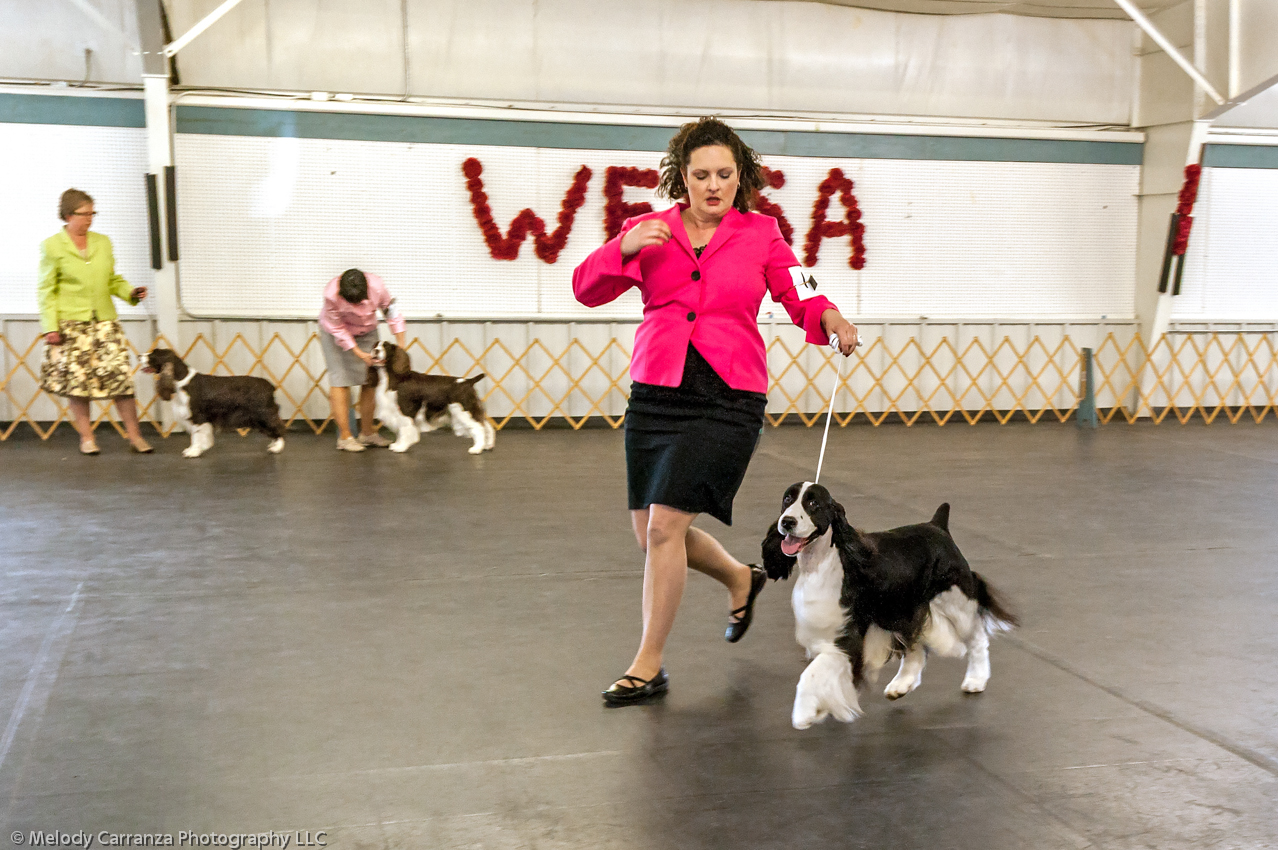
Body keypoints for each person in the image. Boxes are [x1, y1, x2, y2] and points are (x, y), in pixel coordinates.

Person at [572, 118, 860, 705]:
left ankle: (648, 664)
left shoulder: (761, 233)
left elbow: (797, 290)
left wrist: (827, 316)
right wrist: (620, 248)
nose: (713, 185)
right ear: (681, 177)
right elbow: (585, 287)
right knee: (649, 533)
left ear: (740, 176)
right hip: (656, 392)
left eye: (724, 174)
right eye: (700, 174)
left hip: (729, 397)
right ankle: (738, 576)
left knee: (663, 527)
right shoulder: (645, 230)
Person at [38, 189, 153, 455]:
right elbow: (45, 290)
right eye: (84, 214)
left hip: (104, 322)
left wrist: (130, 292)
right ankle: (87, 438)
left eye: (93, 213)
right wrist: (50, 327)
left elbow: (111, 279)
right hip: (70, 324)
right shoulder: (52, 246)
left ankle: (135, 437)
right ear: (68, 215)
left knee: (121, 380)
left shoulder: (103, 242)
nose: (90, 219)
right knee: (78, 385)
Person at [318, 268, 406, 451]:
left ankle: (368, 433)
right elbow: (338, 329)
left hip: (367, 331)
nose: (357, 306)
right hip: (336, 333)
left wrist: (401, 345)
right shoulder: (330, 295)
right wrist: (358, 352)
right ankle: (345, 437)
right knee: (340, 379)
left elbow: (391, 311)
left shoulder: (377, 286)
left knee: (370, 379)